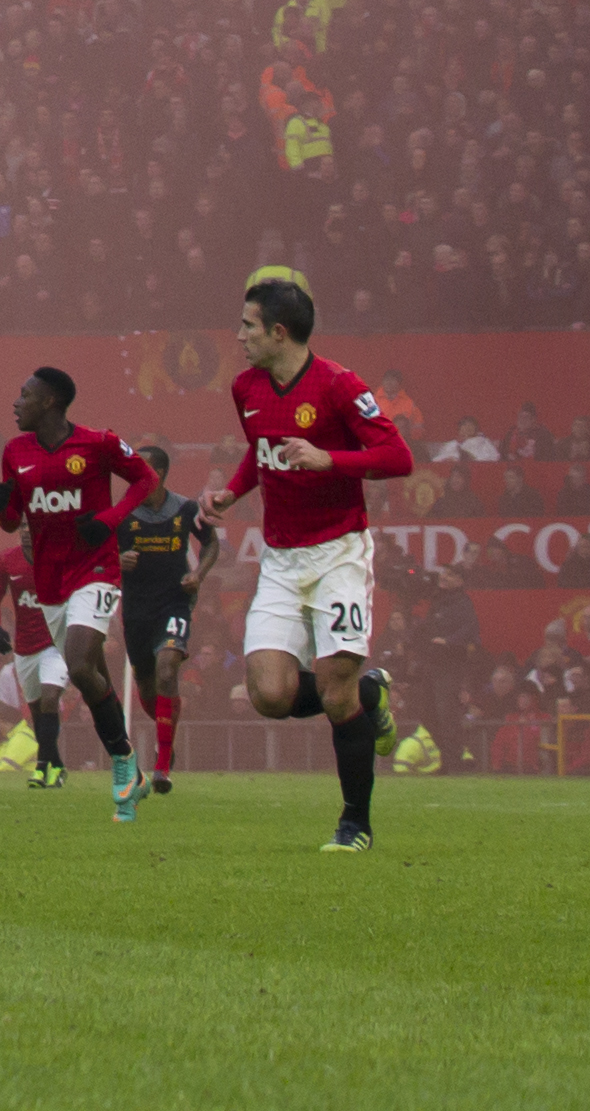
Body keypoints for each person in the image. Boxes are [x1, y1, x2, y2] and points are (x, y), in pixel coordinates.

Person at [206, 266, 416, 851]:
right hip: (280, 559)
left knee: (334, 690)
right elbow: (261, 451)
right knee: (269, 695)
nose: (239, 335)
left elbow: (398, 457)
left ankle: (356, 825)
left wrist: (331, 460)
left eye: (247, 326)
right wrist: (231, 490)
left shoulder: (339, 385)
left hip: (339, 552)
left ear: (279, 332)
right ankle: (370, 694)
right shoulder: (246, 388)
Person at [0, 363, 153, 820]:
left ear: (51, 402)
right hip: (52, 582)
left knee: (78, 663)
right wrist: (1, 508)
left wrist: (109, 521)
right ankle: (131, 770)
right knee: (91, 673)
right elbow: (12, 518)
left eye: (25, 395)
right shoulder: (14, 451)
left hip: (96, 569)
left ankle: (120, 765)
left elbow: (145, 480)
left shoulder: (97, 443)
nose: (16, 402)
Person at [106, 441, 219, 795]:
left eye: (141, 468)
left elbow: (211, 543)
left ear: (160, 473)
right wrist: (117, 560)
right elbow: (99, 551)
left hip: (174, 603)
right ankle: (166, 735)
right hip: (137, 609)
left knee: (168, 667)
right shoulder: (122, 513)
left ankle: (163, 764)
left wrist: (198, 574)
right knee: (147, 685)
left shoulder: (186, 508)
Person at [0, 550, 60, 783]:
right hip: (28, 652)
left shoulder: (60, 554)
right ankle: (51, 764)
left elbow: (1, 771)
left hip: (54, 648)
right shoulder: (8, 560)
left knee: (49, 695)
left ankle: (52, 765)